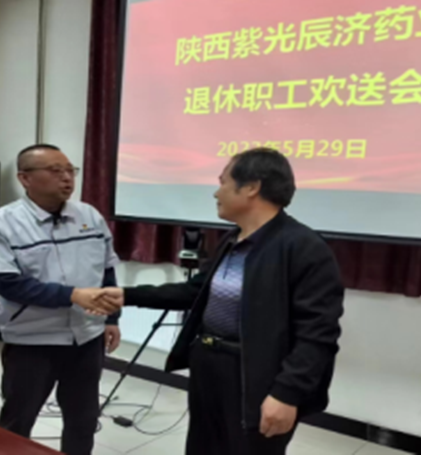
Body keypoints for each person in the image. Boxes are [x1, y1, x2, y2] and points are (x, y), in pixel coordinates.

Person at [105, 148, 344, 455]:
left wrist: (287, 393)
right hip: (209, 366)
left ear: (251, 187)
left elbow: (318, 333)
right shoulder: (232, 239)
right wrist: (126, 295)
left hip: (257, 375)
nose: (216, 193)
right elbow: (195, 292)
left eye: (223, 182)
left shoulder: (304, 247)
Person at [0, 144, 122, 455]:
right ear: (25, 178)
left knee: (83, 420)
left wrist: (111, 318)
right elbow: (8, 283)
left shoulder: (89, 216)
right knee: (18, 419)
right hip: (32, 339)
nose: (67, 178)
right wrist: (73, 295)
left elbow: (106, 269)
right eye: (55, 171)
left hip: (87, 337)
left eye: (70, 170)